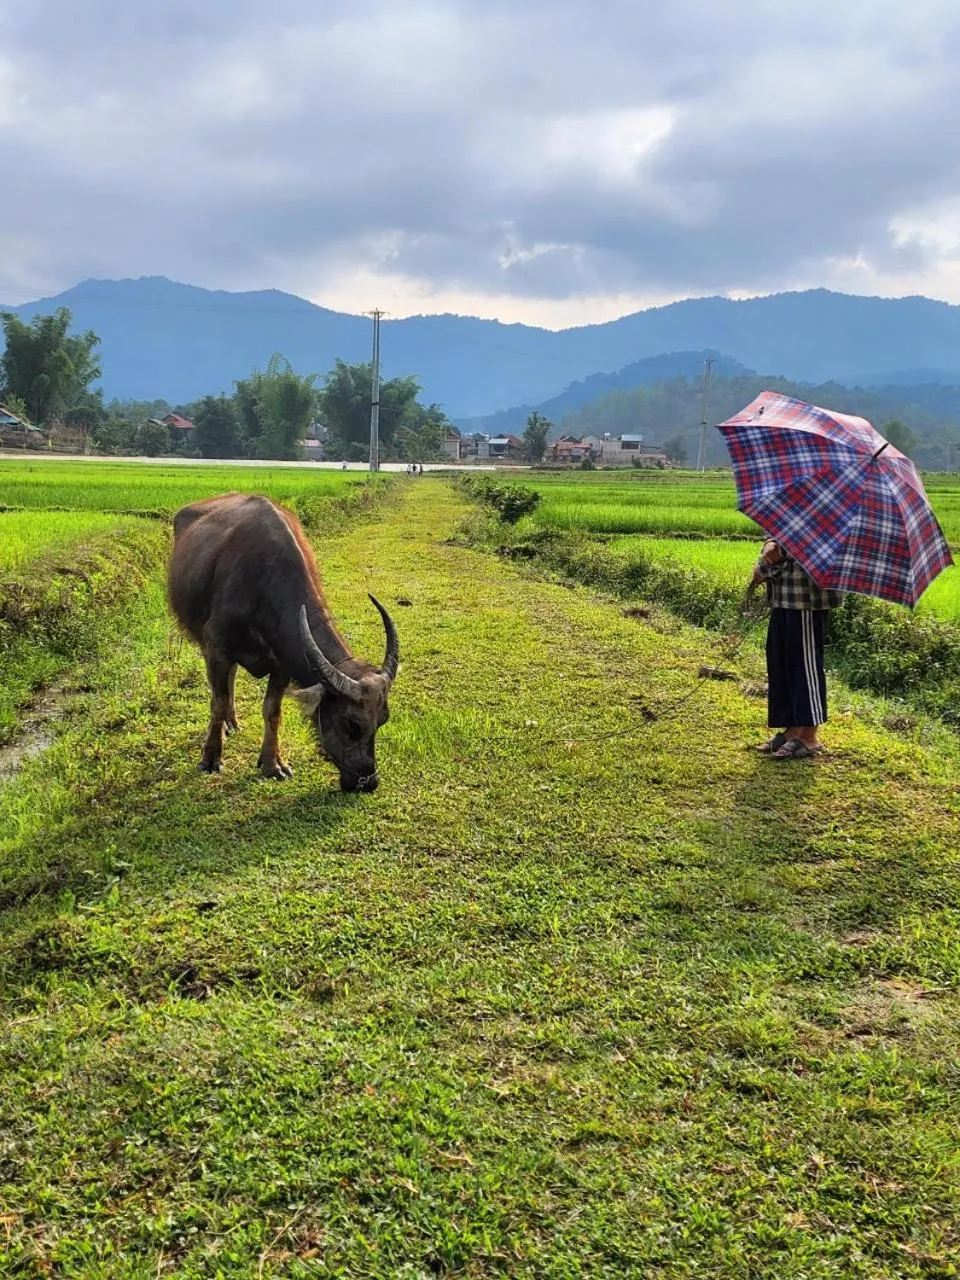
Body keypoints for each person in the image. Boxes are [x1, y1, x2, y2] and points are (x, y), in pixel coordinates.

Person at [751, 538, 843, 759]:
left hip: (807, 600)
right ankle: (791, 730)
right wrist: (769, 545)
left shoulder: (829, 511)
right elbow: (779, 535)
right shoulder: (798, 504)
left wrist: (767, 562)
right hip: (783, 597)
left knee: (804, 667)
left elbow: (806, 545)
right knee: (780, 662)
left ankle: (808, 736)